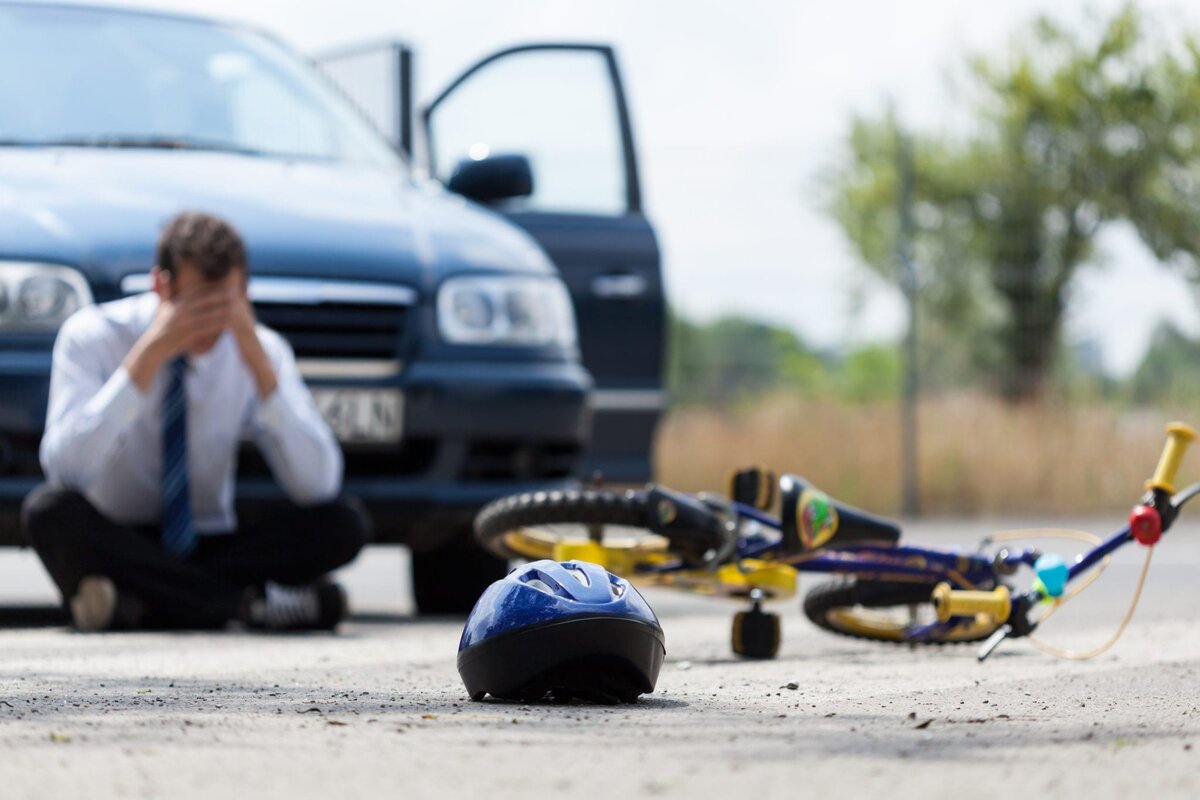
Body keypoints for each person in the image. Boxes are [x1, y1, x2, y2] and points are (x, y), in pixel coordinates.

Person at [21, 211, 369, 632]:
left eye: (225, 302)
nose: (211, 323)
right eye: (198, 303)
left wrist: (258, 364)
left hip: (211, 543)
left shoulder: (264, 350)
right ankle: (247, 606)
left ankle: (139, 606)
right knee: (48, 512)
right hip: (121, 538)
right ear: (160, 286)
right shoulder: (92, 335)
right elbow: (66, 470)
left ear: (244, 292)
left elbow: (318, 484)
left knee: (343, 523)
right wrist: (147, 357)